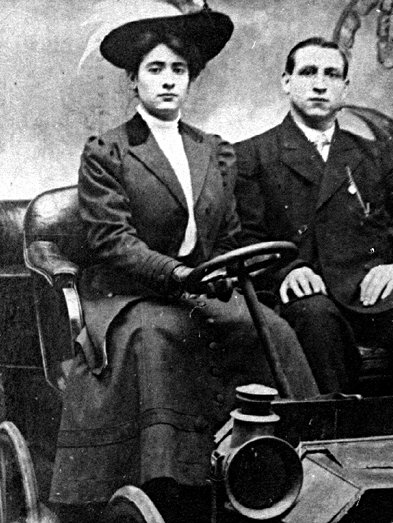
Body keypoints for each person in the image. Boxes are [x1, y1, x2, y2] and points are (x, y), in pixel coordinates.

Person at [49, 10, 319, 522]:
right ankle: (172, 488)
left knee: (272, 331)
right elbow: (113, 241)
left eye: (179, 69)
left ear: (190, 79)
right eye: (155, 69)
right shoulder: (108, 151)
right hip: (130, 295)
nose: (169, 79)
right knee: (158, 337)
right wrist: (176, 275)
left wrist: (225, 274)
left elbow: (229, 235)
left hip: (199, 289)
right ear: (133, 80)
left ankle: (287, 465)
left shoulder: (213, 150)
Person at [234, 37, 393, 395]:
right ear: (286, 82)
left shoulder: (377, 154)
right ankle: (330, 429)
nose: (320, 84)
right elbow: (244, 235)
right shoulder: (250, 156)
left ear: (345, 88)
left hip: (373, 292)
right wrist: (286, 271)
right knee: (314, 320)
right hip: (307, 294)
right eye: (308, 72)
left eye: (332, 75)